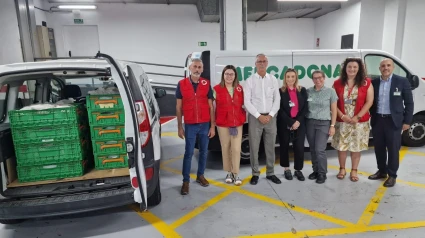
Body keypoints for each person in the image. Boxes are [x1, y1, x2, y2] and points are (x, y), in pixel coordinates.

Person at [368, 58, 414, 187]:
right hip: (378, 120)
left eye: (388, 65)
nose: (386, 68)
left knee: (393, 149)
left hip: (394, 121)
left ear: (393, 67)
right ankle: (382, 171)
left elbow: (409, 103)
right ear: (379, 68)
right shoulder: (374, 82)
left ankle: (392, 175)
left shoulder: (402, 81)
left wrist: (407, 121)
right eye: (383, 66)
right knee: (379, 148)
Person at [175, 58, 216, 195]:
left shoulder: (206, 84)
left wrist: (212, 126)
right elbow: (179, 107)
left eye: (199, 67)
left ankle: (200, 175)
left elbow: (211, 106)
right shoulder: (181, 84)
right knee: (189, 153)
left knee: (204, 152)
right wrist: (180, 127)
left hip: (204, 124)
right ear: (190, 68)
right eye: (195, 66)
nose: (197, 69)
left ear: (202, 69)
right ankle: (185, 181)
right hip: (190, 125)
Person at [331, 58, 374, 182]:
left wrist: (358, 116)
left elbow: (369, 101)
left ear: (359, 69)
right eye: (349, 67)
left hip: (359, 121)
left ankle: (354, 170)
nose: (352, 69)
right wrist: (343, 116)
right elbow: (333, 102)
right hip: (342, 120)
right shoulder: (337, 83)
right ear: (345, 68)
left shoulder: (366, 83)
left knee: (356, 147)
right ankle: (342, 168)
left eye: (355, 67)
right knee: (342, 146)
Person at [243, 53, 281, 185]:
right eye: (259, 61)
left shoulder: (273, 79)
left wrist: (270, 115)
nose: (262, 63)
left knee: (270, 146)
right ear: (255, 64)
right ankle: (255, 174)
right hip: (255, 118)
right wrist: (259, 116)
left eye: (264, 61)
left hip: (271, 117)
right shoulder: (250, 81)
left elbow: (277, 100)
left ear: (267, 63)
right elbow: (247, 101)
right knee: (254, 147)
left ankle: (270, 173)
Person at [213, 65, 246, 186]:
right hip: (222, 124)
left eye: (231, 74)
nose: (229, 76)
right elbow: (212, 107)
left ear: (235, 76)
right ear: (223, 75)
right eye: (227, 74)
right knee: (226, 148)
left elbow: (244, 104)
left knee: (236, 149)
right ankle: (229, 173)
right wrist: (212, 123)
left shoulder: (239, 89)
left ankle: (236, 173)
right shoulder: (216, 89)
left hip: (237, 124)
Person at [305, 70, 338, 184]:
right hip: (310, 122)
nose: (318, 80)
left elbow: (334, 110)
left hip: (324, 123)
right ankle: (316, 171)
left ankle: (322, 173)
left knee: (320, 149)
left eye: (320, 77)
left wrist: (332, 126)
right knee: (313, 149)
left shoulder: (331, 92)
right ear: (312, 79)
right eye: (315, 78)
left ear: (324, 78)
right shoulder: (308, 91)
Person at [276, 68, 308, 181]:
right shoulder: (280, 91)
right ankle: (286, 169)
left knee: (299, 147)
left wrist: (298, 121)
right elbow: (279, 109)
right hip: (284, 123)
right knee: (284, 146)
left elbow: (305, 108)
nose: (290, 79)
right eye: (288, 76)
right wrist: (291, 122)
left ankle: (298, 170)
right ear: (285, 78)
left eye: (292, 76)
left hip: (299, 123)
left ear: (296, 78)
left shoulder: (302, 90)